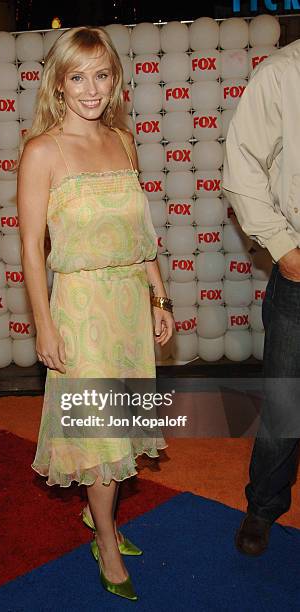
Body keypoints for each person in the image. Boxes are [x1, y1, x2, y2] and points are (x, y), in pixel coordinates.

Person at [17, 26, 174, 601]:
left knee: (122, 423)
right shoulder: (42, 151)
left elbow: (141, 230)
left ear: (115, 79)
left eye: (101, 74)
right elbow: (32, 248)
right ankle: (105, 537)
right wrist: (44, 324)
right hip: (80, 308)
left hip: (130, 301)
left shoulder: (123, 141)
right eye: (77, 76)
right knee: (100, 432)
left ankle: (99, 517)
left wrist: (159, 296)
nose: (91, 89)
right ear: (59, 84)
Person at [223, 39, 300, 556]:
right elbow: (242, 165)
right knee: (285, 405)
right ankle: (263, 507)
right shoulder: (281, 74)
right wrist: (285, 249)